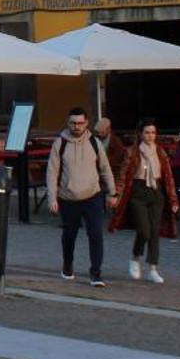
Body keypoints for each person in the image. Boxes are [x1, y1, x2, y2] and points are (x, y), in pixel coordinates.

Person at [45, 107, 117, 286]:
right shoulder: (59, 144)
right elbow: (52, 172)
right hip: (68, 197)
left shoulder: (94, 143)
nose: (76, 126)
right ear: (68, 123)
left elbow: (105, 168)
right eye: (72, 123)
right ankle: (67, 265)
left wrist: (112, 191)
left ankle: (96, 273)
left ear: (86, 123)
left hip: (92, 195)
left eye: (79, 123)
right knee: (69, 235)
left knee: (95, 235)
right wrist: (52, 197)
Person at [110, 117, 177, 283]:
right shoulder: (132, 152)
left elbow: (168, 177)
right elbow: (123, 175)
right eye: (147, 132)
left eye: (153, 132)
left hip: (156, 191)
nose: (150, 136)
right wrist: (116, 194)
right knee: (144, 229)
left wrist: (174, 199)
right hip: (137, 192)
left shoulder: (160, 152)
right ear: (140, 134)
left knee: (155, 231)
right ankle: (135, 257)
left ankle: (153, 268)